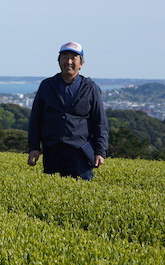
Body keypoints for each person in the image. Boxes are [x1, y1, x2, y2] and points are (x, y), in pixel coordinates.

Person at [27, 42, 109, 180]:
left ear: (81, 64)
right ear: (59, 61)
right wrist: (34, 147)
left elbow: (100, 122)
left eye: (73, 58)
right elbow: (36, 119)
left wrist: (100, 151)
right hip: (52, 150)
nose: (69, 61)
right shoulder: (47, 85)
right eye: (65, 57)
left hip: (80, 152)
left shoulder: (90, 88)